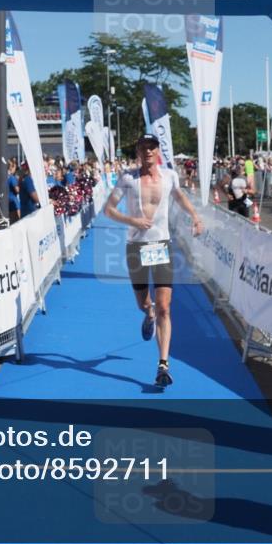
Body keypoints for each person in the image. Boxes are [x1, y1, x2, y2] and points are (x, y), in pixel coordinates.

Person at [104, 134, 203, 388]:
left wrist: (195, 216)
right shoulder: (128, 178)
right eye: (143, 148)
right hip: (136, 247)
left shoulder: (169, 176)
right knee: (144, 304)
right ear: (138, 151)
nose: (147, 152)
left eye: (151, 147)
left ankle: (163, 364)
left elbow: (179, 196)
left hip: (161, 246)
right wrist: (133, 221)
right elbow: (109, 209)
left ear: (158, 150)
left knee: (165, 307)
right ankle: (147, 314)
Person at [7, 158, 22, 224]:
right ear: (11, 167)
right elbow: (17, 190)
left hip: (6, 201)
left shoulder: (4, 176)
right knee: (16, 221)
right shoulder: (12, 178)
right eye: (15, 167)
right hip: (13, 201)